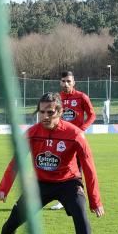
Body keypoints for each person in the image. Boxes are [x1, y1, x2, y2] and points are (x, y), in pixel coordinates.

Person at [0, 92, 105, 234]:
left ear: (60, 112)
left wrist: (95, 200)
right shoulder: (31, 134)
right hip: (40, 183)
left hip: (68, 183)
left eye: (50, 113)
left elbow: (89, 168)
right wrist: (3, 188)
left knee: (81, 217)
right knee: (14, 220)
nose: (45, 117)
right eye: (41, 112)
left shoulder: (75, 135)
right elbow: (16, 162)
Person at [48, 71, 96, 210]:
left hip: (77, 138)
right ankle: (62, 198)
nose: (66, 83)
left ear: (74, 82)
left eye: (69, 81)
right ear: (60, 82)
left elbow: (92, 115)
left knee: (79, 169)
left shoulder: (81, 97)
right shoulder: (57, 98)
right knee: (60, 166)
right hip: (61, 139)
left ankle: (77, 197)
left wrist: (82, 128)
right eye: (63, 81)